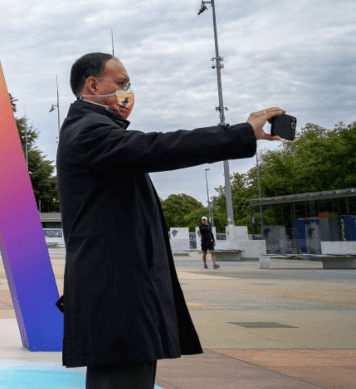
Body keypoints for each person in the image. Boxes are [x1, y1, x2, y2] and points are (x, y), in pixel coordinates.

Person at [56, 52, 283, 388]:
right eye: (121, 83)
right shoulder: (88, 131)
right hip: (115, 293)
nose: (127, 91)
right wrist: (239, 134)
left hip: (119, 291)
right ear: (92, 85)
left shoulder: (93, 131)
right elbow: (159, 147)